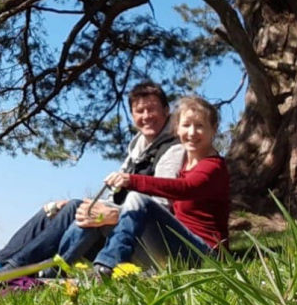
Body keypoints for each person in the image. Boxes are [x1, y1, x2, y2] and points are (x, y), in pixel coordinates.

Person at [0, 82, 185, 285]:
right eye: (139, 110)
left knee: (74, 207)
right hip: (121, 233)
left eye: (152, 108)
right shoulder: (137, 149)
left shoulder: (172, 150)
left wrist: (109, 214)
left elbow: (158, 207)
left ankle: (6, 275)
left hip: (147, 243)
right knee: (56, 209)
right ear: (132, 116)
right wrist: (94, 209)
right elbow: (117, 197)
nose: (146, 115)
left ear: (166, 111)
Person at [63, 95, 229, 278]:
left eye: (199, 126)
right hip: (176, 250)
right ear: (177, 128)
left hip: (206, 256)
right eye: (186, 125)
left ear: (213, 129)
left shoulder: (214, 166)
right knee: (96, 212)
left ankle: (107, 267)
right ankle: (57, 268)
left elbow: (186, 187)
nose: (191, 132)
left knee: (136, 198)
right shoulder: (184, 166)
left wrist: (131, 180)